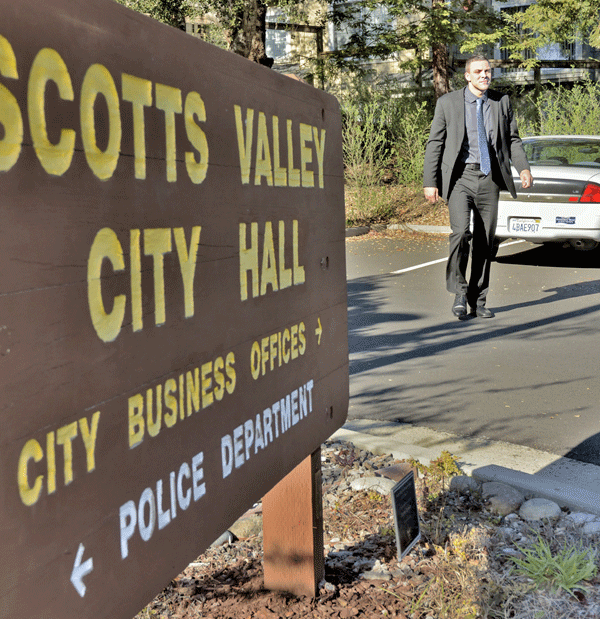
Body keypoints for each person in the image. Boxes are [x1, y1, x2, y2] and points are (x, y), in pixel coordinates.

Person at [423, 55, 533, 319]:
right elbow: (435, 143)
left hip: (489, 179)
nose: (485, 75)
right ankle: (460, 293)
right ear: (467, 76)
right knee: (460, 234)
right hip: (460, 178)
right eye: (479, 71)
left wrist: (524, 168)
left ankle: (478, 298)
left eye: (488, 71)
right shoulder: (448, 103)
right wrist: (430, 182)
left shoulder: (501, 102)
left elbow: (512, 139)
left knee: (485, 242)